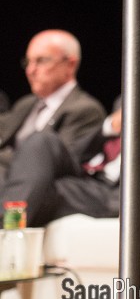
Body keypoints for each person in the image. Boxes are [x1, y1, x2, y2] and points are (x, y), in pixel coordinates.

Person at [1, 23, 140, 224]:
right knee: (42, 141)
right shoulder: (129, 98)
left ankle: (7, 231)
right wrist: (108, 127)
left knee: (41, 192)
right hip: (91, 180)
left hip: (122, 194)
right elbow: (78, 154)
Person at [0, 31, 105, 203]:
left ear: (70, 65)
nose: (31, 70)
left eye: (41, 61)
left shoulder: (85, 110)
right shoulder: (25, 105)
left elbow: (62, 163)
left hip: (36, 193)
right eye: (28, 62)